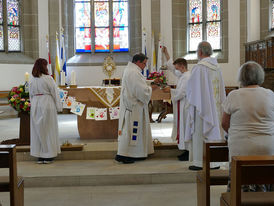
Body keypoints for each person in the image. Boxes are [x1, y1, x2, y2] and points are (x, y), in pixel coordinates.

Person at [222, 61, 274, 192]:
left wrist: (236, 133)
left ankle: (238, 196)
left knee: (240, 171)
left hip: (240, 149)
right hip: (267, 149)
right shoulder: (270, 94)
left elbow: (224, 123)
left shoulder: (234, 95)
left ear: (241, 77)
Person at [185, 41, 226, 170]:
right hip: (215, 108)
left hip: (201, 108)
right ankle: (214, 162)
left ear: (200, 52)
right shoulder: (217, 67)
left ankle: (200, 162)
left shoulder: (199, 68)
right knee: (213, 132)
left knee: (199, 132)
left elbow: (192, 89)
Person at [115, 53, 157, 164]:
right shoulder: (134, 72)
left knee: (129, 131)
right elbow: (140, 91)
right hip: (134, 107)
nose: (145, 66)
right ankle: (124, 155)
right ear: (137, 62)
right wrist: (151, 88)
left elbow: (138, 85)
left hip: (132, 106)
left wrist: (149, 84)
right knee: (130, 132)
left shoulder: (131, 70)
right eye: (144, 63)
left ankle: (131, 153)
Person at [29, 58, 62, 164]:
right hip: (47, 103)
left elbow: (30, 95)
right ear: (44, 66)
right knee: (48, 129)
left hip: (35, 104)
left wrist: (33, 105)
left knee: (37, 130)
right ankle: (48, 155)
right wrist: (59, 107)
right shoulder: (48, 78)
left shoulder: (32, 79)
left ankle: (39, 155)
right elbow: (55, 93)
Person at [162, 46, 191, 161]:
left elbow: (181, 93)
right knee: (182, 128)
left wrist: (170, 91)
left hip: (185, 106)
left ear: (182, 67)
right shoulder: (183, 74)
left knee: (185, 128)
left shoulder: (187, 77)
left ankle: (188, 151)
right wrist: (166, 53)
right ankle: (185, 150)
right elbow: (171, 67)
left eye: (178, 68)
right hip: (182, 105)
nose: (176, 70)